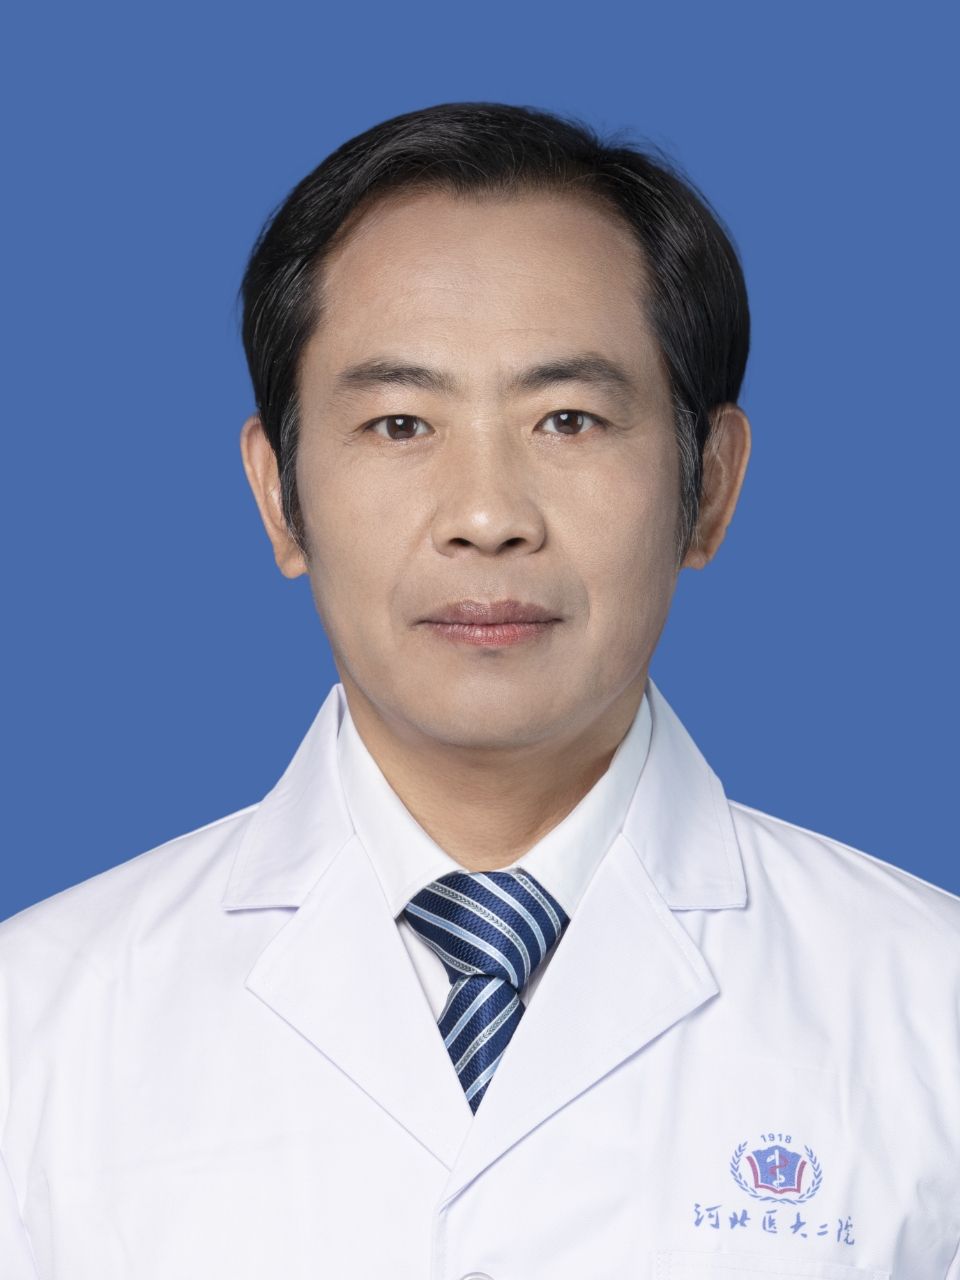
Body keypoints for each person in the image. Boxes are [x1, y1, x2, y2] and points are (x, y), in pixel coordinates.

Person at [0, 101, 957, 1280]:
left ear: (708, 485)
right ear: (279, 494)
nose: (488, 515)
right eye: (400, 422)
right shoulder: (33, 1026)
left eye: (570, 419)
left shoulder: (931, 1010)